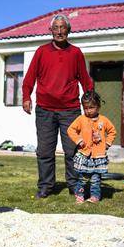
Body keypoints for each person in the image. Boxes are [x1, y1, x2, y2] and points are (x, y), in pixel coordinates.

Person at [22, 14, 94, 199]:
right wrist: (26, 97)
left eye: (63, 28)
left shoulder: (76, 53)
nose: (60, 31)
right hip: (45, 109)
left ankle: (74, 185)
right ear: (50, 30)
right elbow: (30, 77)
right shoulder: (41, 51)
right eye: (56, 28)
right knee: (45, 151)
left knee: (73, 150)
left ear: (69, 30)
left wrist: (90, 102)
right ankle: (46, 186)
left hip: (70, 110)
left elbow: (85, 80)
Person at [67, 90, 116, 204]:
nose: (88, 111)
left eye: (91, 107)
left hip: (98, 156)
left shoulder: (104, 120)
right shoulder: (81, 119)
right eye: (86, 108)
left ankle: (95, 196)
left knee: (95, 178)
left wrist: (107, 143)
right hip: (85, 154)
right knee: (83, 178)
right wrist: (78, 140)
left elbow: (112, 131)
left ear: (98, 107)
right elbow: (71, 130)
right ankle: (80, 195)